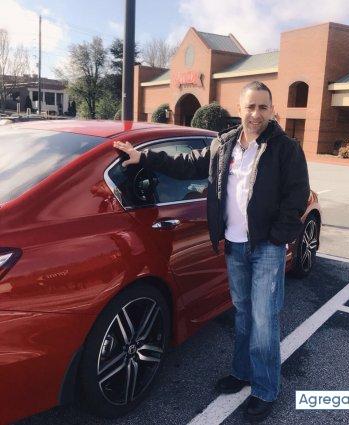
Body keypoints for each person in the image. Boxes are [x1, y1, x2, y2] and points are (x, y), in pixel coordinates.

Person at [113, 81, 310, 422]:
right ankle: (242, 372)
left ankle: (265, 389)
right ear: (240, 108)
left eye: (263, 107)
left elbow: (297, 195)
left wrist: (277, 237)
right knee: (243, 314)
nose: (256, 114)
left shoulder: (285, 148)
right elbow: (187, 163)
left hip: (266, 247)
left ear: (271, 110)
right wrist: (142, 157)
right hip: (234, 245)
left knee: (264, 320)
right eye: (250, 107)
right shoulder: (224, 144)